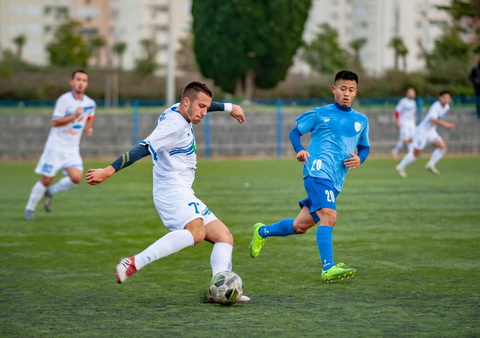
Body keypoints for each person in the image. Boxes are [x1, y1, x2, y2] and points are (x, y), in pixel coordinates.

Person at [85, 82, 250, 303]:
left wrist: (229, 107)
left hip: (183, 189)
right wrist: (108, 170)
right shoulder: (173, 126)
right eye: (200, 107)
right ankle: (134, 262)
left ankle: (217, 289)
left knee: (224, 237)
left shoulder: (182, 109)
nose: (203, 112)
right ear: (186, 102)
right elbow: (142, 148)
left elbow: (203, 104)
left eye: (205, 107)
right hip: (171, 190)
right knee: (196, 233)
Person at [248, 70, 370, 282]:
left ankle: (262, 231)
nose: (346, 94)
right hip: (316, 171)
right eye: (342, 89)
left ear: (356, 92)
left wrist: (360, 159)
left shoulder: (361, 120)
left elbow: (365, 147)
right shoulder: (320, 113)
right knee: (329, 216)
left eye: (351, 90)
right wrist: (299, 149)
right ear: (334, 89)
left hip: (335, 180)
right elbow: (295, 132)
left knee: (300, 226)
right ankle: (328, 267)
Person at [24, 70, 95, 220]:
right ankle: (29, 209)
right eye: (78, 79)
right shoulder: (64, 100)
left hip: (72, 149)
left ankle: (51, 192)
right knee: (46, 179)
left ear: (87, 84)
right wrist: (74, 116)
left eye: (84, 80)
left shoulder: (90, 103)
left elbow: (90, 115)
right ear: (72, 82)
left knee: (76, 178)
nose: (81, 83)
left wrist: (89, 127)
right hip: (55, 147)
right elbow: (55, 122)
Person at [395, 90, 455, 178]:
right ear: (440, 98)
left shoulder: (447, 107)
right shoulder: (436, 106)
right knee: (415, 153)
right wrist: (446, 125)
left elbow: (437, 119)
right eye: (444, 97)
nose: (446, 99)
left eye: (448, 97)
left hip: (431, 131)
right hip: (422, 132)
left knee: (442, 147)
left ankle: (430, 164)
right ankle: (400, 166)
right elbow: (433, 119)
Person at [391, 87, 417, 161]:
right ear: (407, 93)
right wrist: (398, 121)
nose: (411, 94)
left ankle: (411, 155)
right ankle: (395, 151)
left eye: (413, 92)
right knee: (404, 139)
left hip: (411, 123)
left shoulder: (414, 102)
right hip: (404, 122)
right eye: (410, 92)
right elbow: (397, 111)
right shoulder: (403, 101)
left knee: (411, 139)